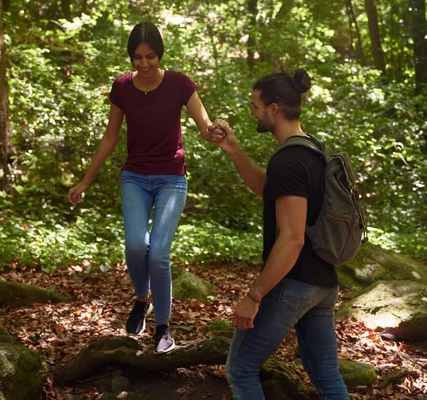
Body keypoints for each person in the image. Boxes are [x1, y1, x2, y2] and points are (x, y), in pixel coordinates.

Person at [67, 22, 222, 354]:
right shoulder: (122, 87)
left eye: (150, 56)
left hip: (171, 178)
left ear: (159, 54)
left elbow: (205, 126)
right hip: (135, 177)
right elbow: (111, 136)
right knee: (136, 246)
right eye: (137, 57)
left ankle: (164, 328)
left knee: (160, 254)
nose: (144, 64)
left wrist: (218, 132)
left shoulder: (180, 84)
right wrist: (85, 180)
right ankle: (142, 300)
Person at [209, 69, 350, 399]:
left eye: (255, 106)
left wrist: (254, 296)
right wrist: (234, 149)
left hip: (294, 283)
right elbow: (266, 188)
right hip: (323, 284)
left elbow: (293, 237)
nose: (252, 112)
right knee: (328, 378)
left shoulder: (288, 160)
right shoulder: (314, 151)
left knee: (241, 371)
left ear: (274, 109)